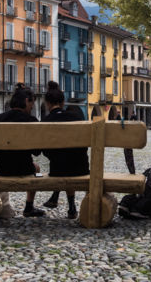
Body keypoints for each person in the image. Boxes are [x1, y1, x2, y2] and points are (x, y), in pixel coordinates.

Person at [0, 87, 44, 218]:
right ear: (26, 101)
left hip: (1, 169)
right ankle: (29, 206)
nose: (32, 107)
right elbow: (37, 152)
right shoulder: (31, 121)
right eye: (31, 103)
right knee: (38, 169)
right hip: (24, 168)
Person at [39, 82, 89, 220]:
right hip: (81, 168)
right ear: (63, 102)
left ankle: (57, 199)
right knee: (70, 160)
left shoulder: (46, 121)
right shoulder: (76, 118)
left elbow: (42, 150)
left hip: (57, 170)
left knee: (60, 163)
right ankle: (71, 207)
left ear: (47, 104)